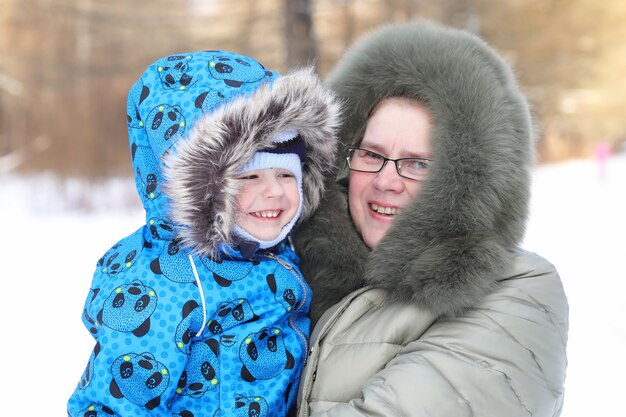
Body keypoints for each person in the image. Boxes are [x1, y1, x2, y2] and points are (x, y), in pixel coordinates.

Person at [293, 21, 569, 417]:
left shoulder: (518, 295)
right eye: (371, 154)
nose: (386, 181)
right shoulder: (290, 282)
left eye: (418, 163)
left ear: (468, 181)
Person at [67, 50, 340, 417]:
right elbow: (114, 404)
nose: (274, 191)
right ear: (201, 191)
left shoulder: (276, 253)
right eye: (249, 177)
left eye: (286, 175)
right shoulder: (170, 284)